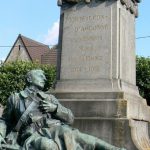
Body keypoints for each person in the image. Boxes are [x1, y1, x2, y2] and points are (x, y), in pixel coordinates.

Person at [0, 69, 126, 150]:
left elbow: (70, 118)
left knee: (80, 137)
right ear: (29, 79)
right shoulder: (16, 98)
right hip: (32, 135)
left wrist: (55, 109)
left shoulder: (49, 98)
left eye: (44, 75)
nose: (44, 77)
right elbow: (4, 121)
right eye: (40, 75)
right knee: (47, 146)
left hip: (55, 129)